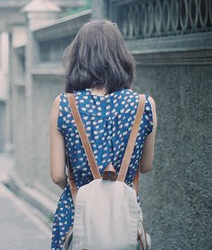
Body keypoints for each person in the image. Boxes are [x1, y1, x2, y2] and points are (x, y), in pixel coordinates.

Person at [49, 20, 157, 250]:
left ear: (79, 58)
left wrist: (86, 190)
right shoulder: (143, 105)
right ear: (121, 57)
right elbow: (146, 166)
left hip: (77, 213)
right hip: (122, 215)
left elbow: (57, 175)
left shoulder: (65, 105)